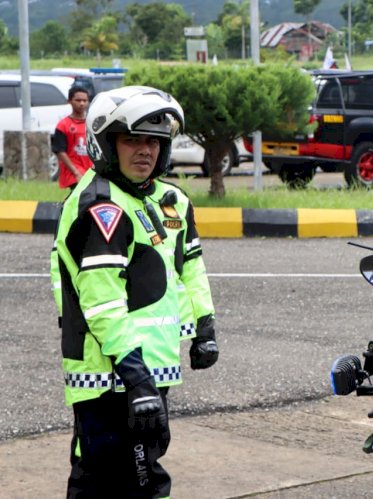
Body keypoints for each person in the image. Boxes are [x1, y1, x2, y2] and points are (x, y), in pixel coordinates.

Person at [52, 85, 219, 498]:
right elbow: (102, 303)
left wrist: (204, 325)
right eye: (132, 140)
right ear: (106, 143)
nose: (144, 151)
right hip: (108, 375)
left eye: (154, 141)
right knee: (111, 480)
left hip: (149, 368)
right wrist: (136, 379)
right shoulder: (100, 206)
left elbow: (189, 268)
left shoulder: (170, 199)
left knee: (140, 472)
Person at [52, 86, 94, 190]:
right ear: (70, 101)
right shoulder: (63, 125)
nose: (82, 103)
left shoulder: (92, 123)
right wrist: (76, 172)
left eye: (85, 100)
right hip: (74, 172)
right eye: (78, 100)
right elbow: (60, 151)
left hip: (90, 170)